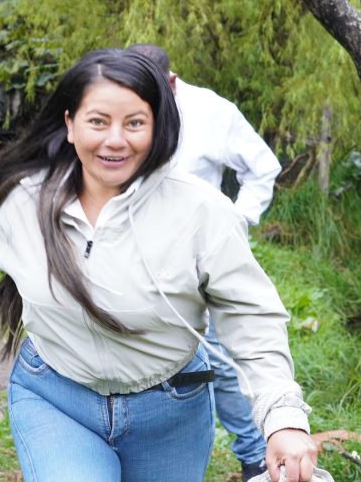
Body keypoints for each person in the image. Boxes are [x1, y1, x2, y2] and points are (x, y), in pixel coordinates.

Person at [0, 48, 318, 481]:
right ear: (70, 124)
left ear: (157, 128)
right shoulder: (27, 202)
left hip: (169, 409)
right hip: (56, 400)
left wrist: (282, 417)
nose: (115, 139)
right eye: (98, 121)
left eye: (135, 123)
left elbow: (251, 315)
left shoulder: (202, 210)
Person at [127, 43, 281, 481]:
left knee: (218, 358)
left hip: (196, 258)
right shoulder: (120, 107)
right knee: (142, 354)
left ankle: (254, 458)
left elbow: (263, 168)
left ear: (171, 83)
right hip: (129, 254)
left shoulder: (212, 111)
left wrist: (236, 219)